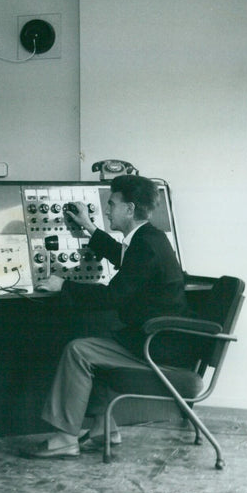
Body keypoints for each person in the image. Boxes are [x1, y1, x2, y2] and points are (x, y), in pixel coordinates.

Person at [25, 174, 188, 458]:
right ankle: (104, 429)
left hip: (155, 348)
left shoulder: (145, 244)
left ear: (129, 208)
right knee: (99, 342)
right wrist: (89, 228)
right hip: (161, 340)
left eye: (112, 204)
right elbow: (126, 261)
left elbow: (113, 296)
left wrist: (63, 284)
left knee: (79, 350)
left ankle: (65, 438)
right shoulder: (151, 238)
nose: (108, 209)